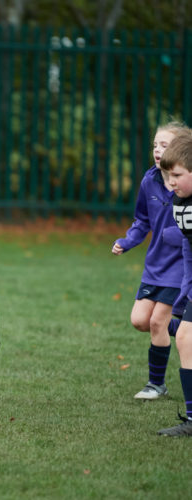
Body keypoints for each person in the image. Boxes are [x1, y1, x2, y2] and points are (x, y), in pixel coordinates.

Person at [112, 122, 189, 400]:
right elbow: (142, 219)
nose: (158, 150)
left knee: (157, 322)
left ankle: (156, 384)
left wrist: (176, 234)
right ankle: (184, 328)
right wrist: (128, 241)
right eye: (155, 145)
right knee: (139, 320)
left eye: (165, 145)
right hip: (155, 264)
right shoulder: (149, 181)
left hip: (181, 264)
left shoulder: (186, 182)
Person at [156, 129, 192, 436]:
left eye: (177, 175)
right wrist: (184, 295)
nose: (171, 182)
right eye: (168, 176)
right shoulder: (181, 203)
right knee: (184, 339)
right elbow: (188, 247)